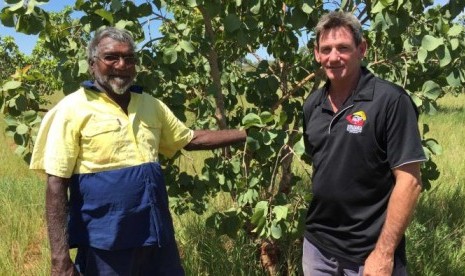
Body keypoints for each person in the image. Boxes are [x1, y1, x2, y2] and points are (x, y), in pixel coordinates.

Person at [30, 27, 246, 275]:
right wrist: (60, 258)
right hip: (105, 244)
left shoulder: (150, 104)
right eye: (111, 57)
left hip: (156, 236)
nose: (122, 65)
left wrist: (247, 133)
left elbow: (190, 139)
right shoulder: (71, 109)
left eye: (130, 58)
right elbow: (56, 183)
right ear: (92, 64)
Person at [301, 11, 426, 275]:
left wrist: (383, 253)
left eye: (343, 48)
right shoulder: (312, 105)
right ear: (316, 54)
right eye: (326, 49)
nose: (333, 57)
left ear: (362, 49)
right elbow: (322, 164)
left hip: (369, 253)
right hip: (317, 247)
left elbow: (410, 182)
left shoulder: (390, 101)